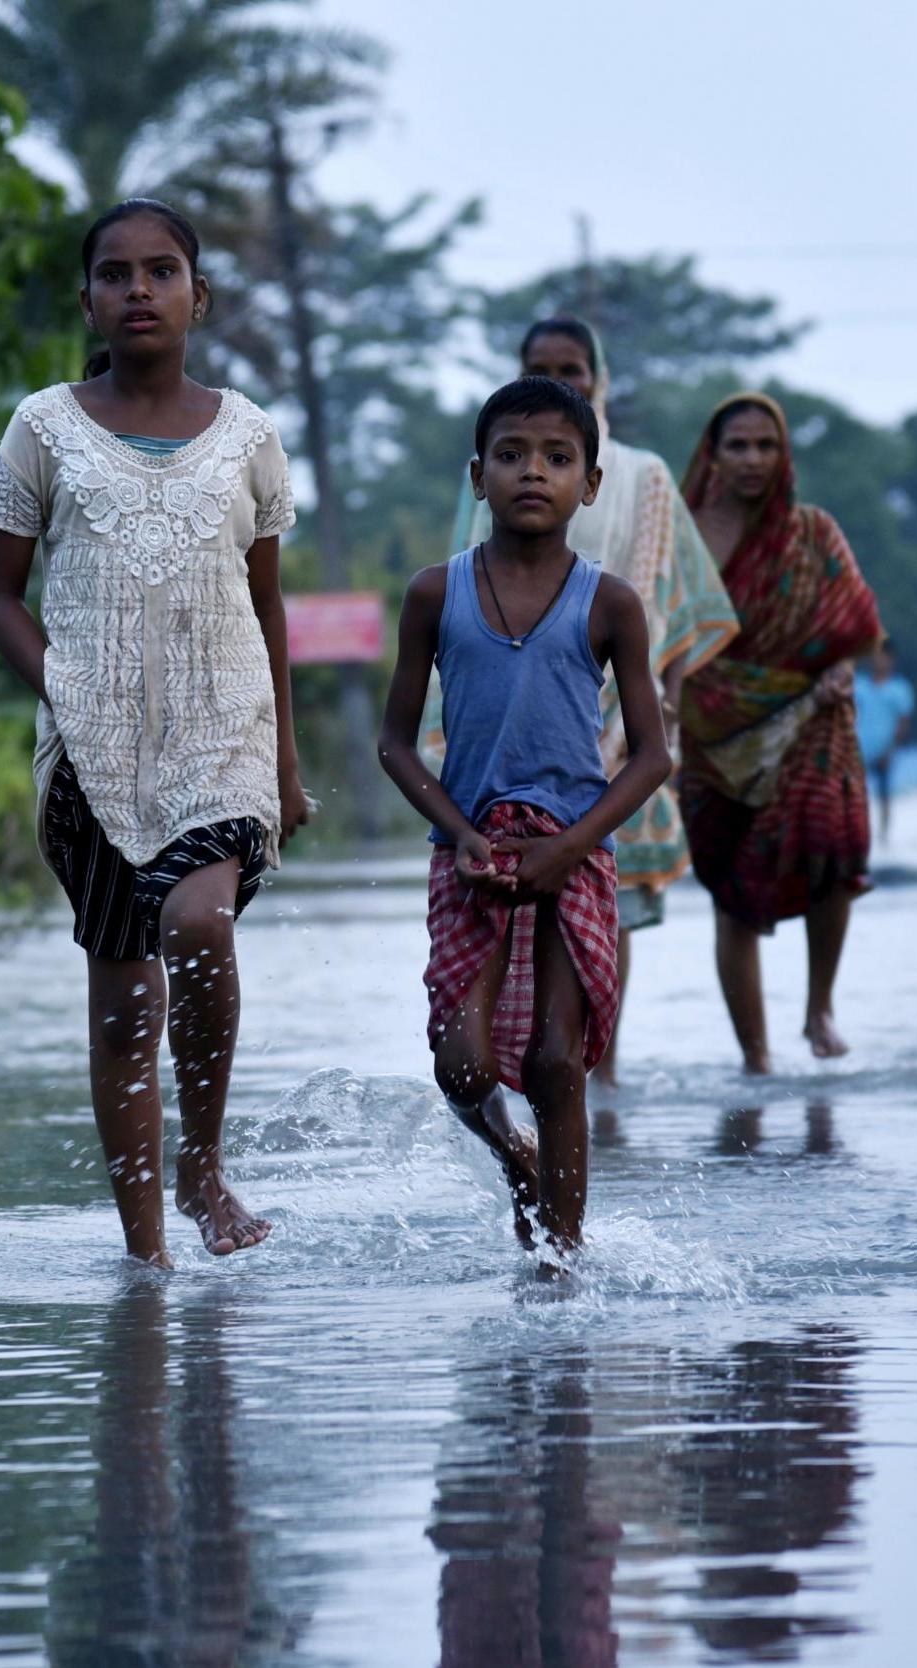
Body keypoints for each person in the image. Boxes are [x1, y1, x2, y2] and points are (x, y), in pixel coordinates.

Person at [0, 198, 309, 1269]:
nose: (137, 290)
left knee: (200, 930)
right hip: (91, 755)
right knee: (125, 1002)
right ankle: (145, 1250)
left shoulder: (249, 436)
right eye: (114, 274)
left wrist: (287, 766)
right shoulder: (42, 428)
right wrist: (64, 689)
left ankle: (202, 1165)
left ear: (197, 296)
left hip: (222, 733)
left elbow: (267, 610)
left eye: (160, 271)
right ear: (88, 300)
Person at [379, 376, 671, 1261]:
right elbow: (396, 744)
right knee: (458, 1065)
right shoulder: (436, 594)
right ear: (478, 477)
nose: (531, 473)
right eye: (510, 456)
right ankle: (516, 1159)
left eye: (556, 458)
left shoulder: (608, 601)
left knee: (554, 1061)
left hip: (572, 852)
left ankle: (562, 1262)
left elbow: (652, 754)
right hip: (467, 851)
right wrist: (462, 834)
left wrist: (570, 848)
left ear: (589, 484)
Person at [447, 317, 739, 1088]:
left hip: (619, 719)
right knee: (496, 899)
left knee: (595, 890)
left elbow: (673, 595)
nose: (562, 378)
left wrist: (661, 718)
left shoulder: (641, 475)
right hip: (508, 716)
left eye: (572, 367)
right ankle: (514, 1069)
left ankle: (591, 1065)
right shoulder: (495, 471)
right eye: (540, 366)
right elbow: (457, 595)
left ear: (599, 379)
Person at [679, 393, 883, 1071]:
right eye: (737, 445)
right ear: (712, 452)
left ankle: (819, 1007)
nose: (751, 459)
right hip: (708, 729)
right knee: (730, 890)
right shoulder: (681, 534)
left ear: (783, 453)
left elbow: (851, 627)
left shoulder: (813, 533)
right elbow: (654, 626)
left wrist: (841, 674)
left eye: (765, 445)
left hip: (810, 717)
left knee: (833, 849)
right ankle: (755, 1057)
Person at [853, 639, 915, 842]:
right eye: (875, 655)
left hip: (885, 751)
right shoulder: (860, 685)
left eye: (882, 656)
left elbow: (903, 722)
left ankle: (884, 835)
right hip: (859, 750)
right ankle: (857, 833)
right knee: (855, 796)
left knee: (884, 795)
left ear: (891, 659)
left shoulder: (900, 688)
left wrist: (891, 750)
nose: (877, 660)